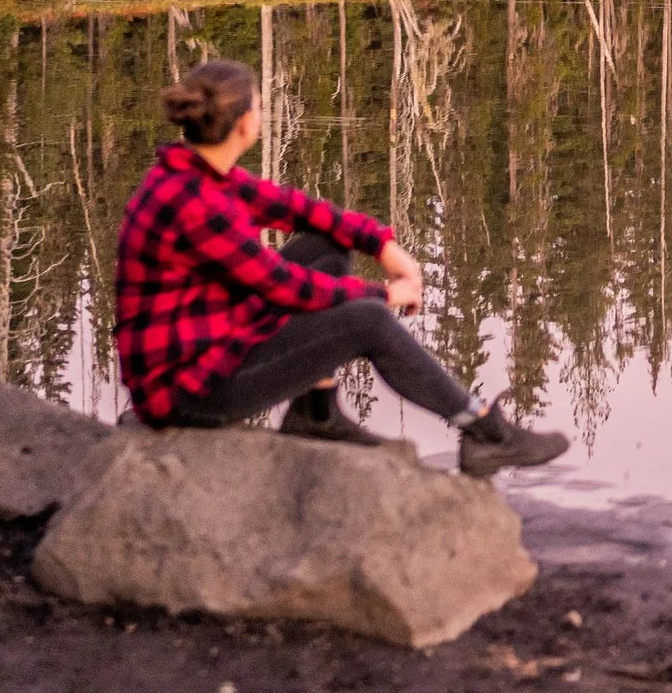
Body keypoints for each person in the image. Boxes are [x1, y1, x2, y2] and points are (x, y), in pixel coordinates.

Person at [114, 57, 567, 477]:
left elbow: (293, 208)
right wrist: (384, 295)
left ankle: (316, 413)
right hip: (186, 393)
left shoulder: (193, 174)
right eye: (260, 106)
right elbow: (284, 287)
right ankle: (487, 433)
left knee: (325, 247)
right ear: (245, 124)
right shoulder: (198, 204)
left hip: (207, 348)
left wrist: (382, 243)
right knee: (367, 320)